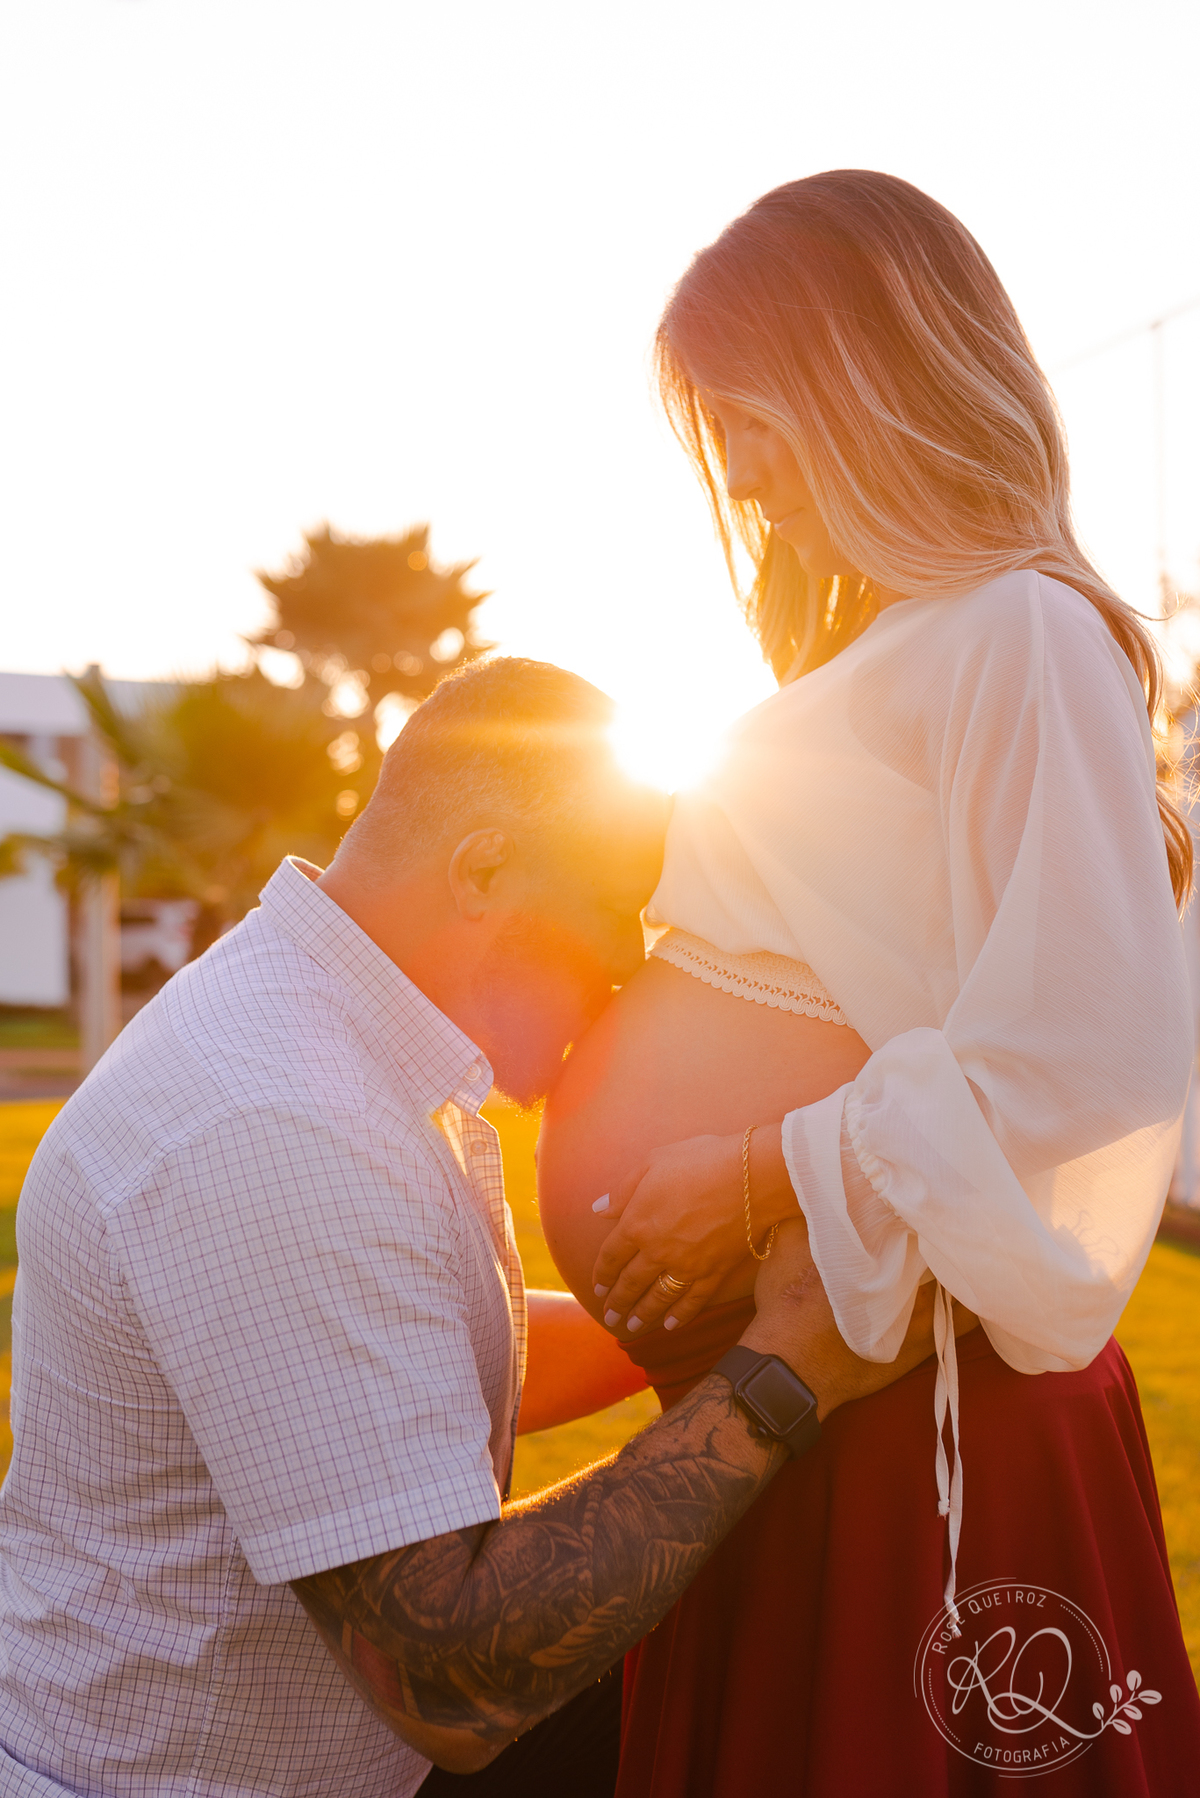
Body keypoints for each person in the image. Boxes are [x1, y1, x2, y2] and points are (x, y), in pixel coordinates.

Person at [0, 655, 944, 1798]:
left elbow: (387, 1370)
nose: (619, 990)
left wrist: (697, 1301)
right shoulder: (282, 1126)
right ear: (486, 867)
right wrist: (786, 1369)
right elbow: (447, 1678)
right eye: (610, 934)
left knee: (748, 1670)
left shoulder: (330, 1025)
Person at [536, 172, 1200, 1794]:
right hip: (806, 1400)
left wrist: (758, 1170)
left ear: (866, 380)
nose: (744, 479)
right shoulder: (896, 646)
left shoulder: (1021, 635)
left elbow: (1084, 1054)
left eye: (752, 420)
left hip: (909, 1406)